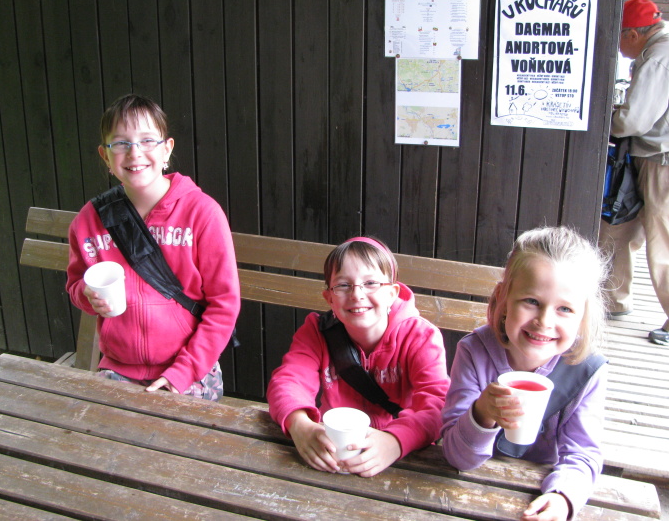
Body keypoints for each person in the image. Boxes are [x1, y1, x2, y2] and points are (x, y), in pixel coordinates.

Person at [66, 94, 240, 400]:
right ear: (105, 155)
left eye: (147, 140)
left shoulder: (202, 213)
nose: (134, 153)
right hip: (118, 367)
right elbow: (76, 284)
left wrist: (182, 372)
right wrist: (87, 295)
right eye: (120, 143)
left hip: (189, 369)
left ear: (167, 149)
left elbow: (224, 305)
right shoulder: (89, 220)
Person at [441, 227, 608, 521]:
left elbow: (582, 454)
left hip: (537, 495)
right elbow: (457, 457)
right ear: (503, 299)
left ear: (583, 317)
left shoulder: (586, 370)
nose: (544, 321)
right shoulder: (475, 352)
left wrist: (563, 496)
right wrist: (481, 413)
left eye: (565, 309)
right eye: (532, 301)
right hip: (469, 490)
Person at [267, 237, 449, 477]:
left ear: (392, 293)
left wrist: (395, 441)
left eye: (371, 283)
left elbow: (437, 402)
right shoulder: (316, 332)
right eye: (343, 285)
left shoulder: (420, 336)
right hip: (332, 452)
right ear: (329, 298)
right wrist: (300, 425)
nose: (357, 294)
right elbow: (289, 381)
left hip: (403, 457)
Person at [599, 0, 669, 346]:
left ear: (633, 34)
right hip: (648, 158)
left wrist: (605, 121)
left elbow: (635, 120)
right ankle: (615, 299)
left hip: (661, 162)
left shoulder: (658, 57)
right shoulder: (657, 52)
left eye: (619, 38)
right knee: (623, 226)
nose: (619, 47)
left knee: (662, 241)